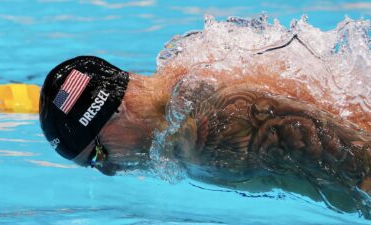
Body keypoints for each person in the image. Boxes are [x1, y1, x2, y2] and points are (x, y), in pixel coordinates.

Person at [39, 56, 371, 216]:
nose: (108, 170)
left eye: (97, 155)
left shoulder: (208, 133)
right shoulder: (181, 79)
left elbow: (361, 163)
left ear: (117, 110)